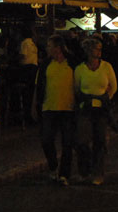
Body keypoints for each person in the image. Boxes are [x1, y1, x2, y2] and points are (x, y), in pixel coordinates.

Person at [32, 34, 75, 186]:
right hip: (49, 107)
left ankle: (64, 174)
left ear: (58, 48)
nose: (47, 48)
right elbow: (38, 86)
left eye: (49, 46)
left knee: (67, 143)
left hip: (68, 108)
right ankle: (53, 166)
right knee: (46, 140)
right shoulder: (45, 65)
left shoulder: (72, 63)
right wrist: (35, 105)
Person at [74, 37, 117, 186]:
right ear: (88, 50)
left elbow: (113, 86)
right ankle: (84, 170)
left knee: (100, 141)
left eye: (100, 48)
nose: (99, 51)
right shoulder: (80, 69)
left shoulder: (106, 67)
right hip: (85, 108)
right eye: (96, 48)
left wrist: (105, 98)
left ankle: (98, 172)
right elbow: (77, 88)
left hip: (101, 109)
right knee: (82, 141)